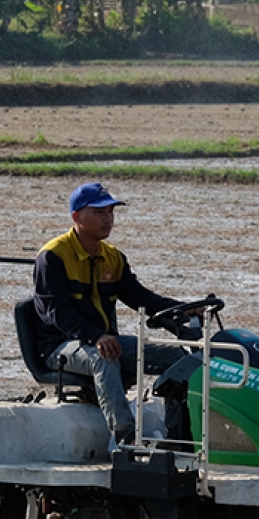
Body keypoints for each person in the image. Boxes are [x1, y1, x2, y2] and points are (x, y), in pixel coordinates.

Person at [33, 181, 195, 447]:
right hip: (62, 345)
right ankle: (125, 441)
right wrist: (96, 336)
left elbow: (141, 298)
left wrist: (184, 309)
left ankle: (179, 439)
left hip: (103, 340)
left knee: (177, 358)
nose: (108, 218)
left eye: (110, 211)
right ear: (77, 217)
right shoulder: (53, 256)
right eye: (99, 212)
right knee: (105, 358)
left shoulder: (113, 257)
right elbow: (55, 311)